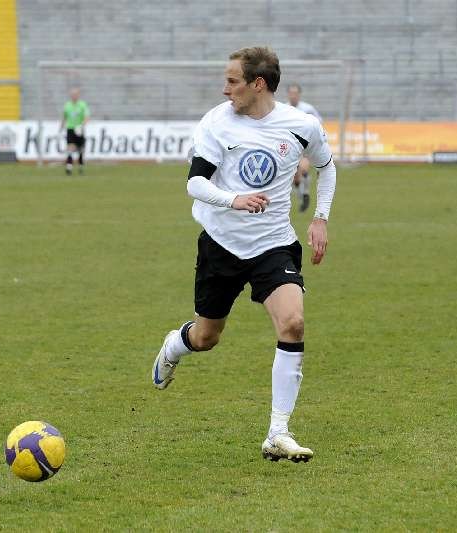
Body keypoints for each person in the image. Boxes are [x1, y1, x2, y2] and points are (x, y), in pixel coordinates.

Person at [150, 46, 337, 462]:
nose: (224, 89)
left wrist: (320, 217)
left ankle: (278, 432)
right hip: (221, 243)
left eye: (233, 81)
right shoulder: (217, 124)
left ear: (257, 84)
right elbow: (195, 184)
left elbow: (327, 166)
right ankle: (175, 345)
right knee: (206, 336)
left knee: (293, 323)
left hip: (273, 244)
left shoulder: (302, 126)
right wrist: (233, 199)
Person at [287, 84, 323, 212]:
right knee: (295, 177)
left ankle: (305, 194)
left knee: (303, 169)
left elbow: (318, 123)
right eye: (291, 93)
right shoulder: (284, 109)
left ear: (299, 95)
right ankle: (302, 196)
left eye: (295, 93)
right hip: (291, 148)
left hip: (305, 147)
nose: (293, 95)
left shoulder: (308, 108)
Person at [59, 88, 90, 175]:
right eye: (72, 95)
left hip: (79, 129)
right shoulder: (67, 105)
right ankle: (69, 168)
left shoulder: (82, 105)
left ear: (78, 95)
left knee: (81, 149)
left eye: (75, 94)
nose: (74, 96)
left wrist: (82, 125)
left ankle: (81, 167)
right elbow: (64, 117)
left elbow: (87, 117)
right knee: (70, 148)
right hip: (70, 129)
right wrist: (61, 126)